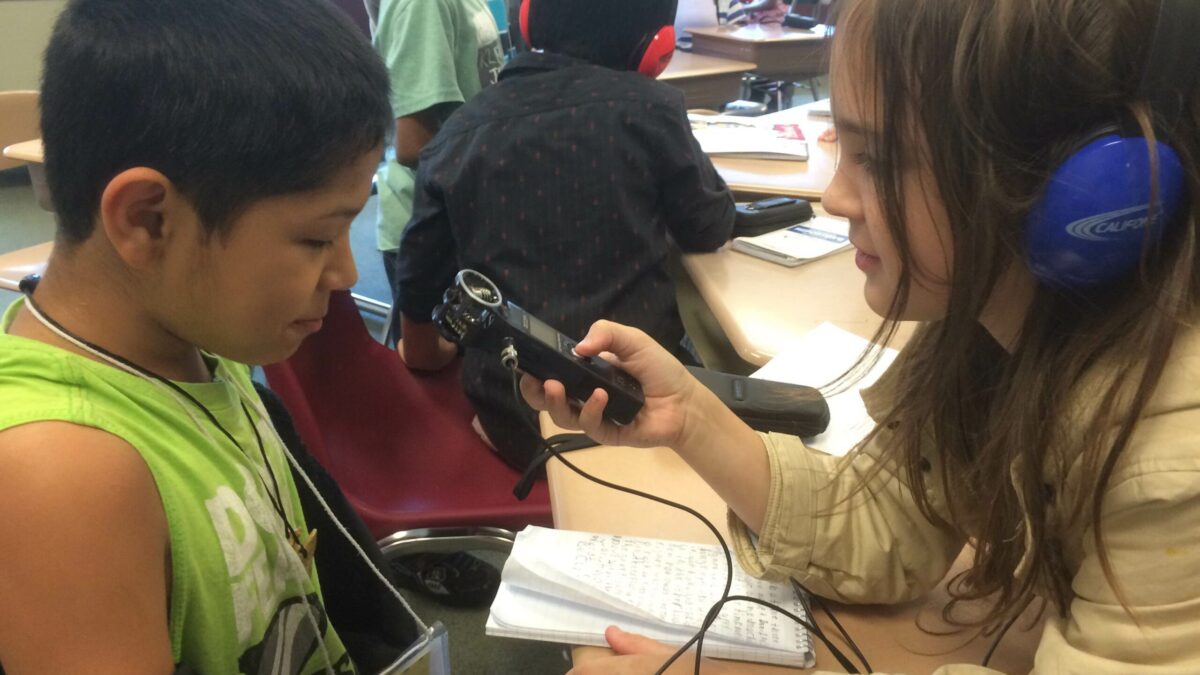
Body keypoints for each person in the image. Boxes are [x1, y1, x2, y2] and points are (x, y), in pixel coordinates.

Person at [523, 0, 1200, 672]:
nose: (839, 197)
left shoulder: (1173, 449)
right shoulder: (987, 327)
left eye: (877, 160)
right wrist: (691, 417)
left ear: (1085, 194)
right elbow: (881, 523)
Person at [0, 0, 412, 671]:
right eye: (315, 236)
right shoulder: (60, 477)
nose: (345, 271)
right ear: (148, 221)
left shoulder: (186, 339)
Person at [393, 0, 736, 470]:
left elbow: (417, 286)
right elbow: (710, 226)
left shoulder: (456, 135)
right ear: (658, 49)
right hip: (644, 407)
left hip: (516, 420)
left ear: (527, 20)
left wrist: (431, 354)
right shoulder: (652, 108)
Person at [373, 0, 505, 340]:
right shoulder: (421, 6)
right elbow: (412, 144)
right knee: (446, 376)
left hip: (467, 215)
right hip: (433, 227)